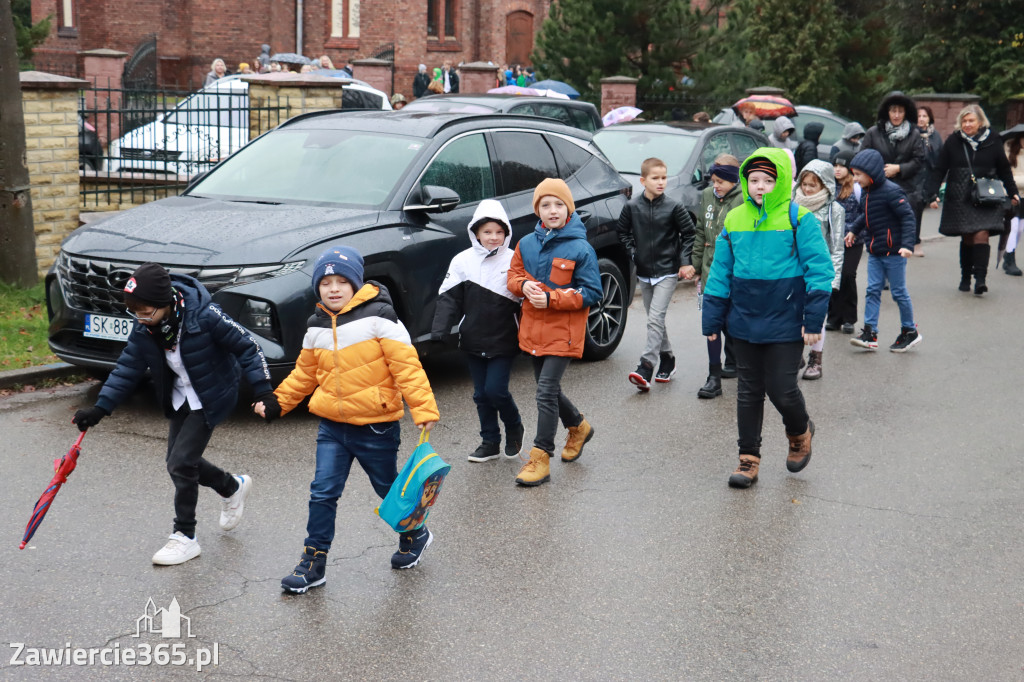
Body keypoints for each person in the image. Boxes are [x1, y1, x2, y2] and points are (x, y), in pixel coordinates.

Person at [255, 246, 440, 593]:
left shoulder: (380, 317)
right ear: (318, 287)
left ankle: (414, 533)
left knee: (389, 491)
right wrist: (278, 402)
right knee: (322, 493)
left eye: (342, 281)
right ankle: (313, 562)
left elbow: (407, 367)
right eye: (326, 282)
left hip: (375, 425)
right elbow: (304, 374)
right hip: (332, 427)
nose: (334, 288)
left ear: (356, 284)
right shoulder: (316, 326)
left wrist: (424, 408)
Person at [71, 263, 276, 565]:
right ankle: (231, 486)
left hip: (211, 395)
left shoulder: (204, 316)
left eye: (145, 312)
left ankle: (185, 537)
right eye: (135, 313)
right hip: (181, 397)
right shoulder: (146, 329)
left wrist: (262, 391)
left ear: (165, 304)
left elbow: (247, 346)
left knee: (181, 463)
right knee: (177, 462)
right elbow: (127, 370)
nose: (140, 319)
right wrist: (100, 408)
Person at [701, 148, 833, 489]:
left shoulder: (798, 219)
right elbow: (720, 271)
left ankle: (799, 431)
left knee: (781, 388)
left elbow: (819, 271)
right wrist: (713, 320)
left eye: (768, 180)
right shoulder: (735, 219)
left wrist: (813, 321)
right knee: (748, 390)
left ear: (781, 182)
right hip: (744, 319)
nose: (760, 186)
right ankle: (748, 459)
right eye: (754, 180)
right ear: (745, 183)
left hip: (786, 319)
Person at [506, 179, 602, 487]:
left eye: (559, 205)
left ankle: (540, 458)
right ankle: (578, 426)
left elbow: (591, 292)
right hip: (533, 330)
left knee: (545, 391)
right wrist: (523, 285)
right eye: (545, 205)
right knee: (546, 388)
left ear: (568, 209)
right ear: (538, 210)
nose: (552, 210)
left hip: (564, 330)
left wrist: (552, 298)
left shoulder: (580, 248)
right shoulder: (526, 243)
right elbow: (513, 274)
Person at [431, 201, 524, 463]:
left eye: (499, 232)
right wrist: (439, 331)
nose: (493, 237)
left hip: (505, 339)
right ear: (475, 233)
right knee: (481, 394)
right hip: (472, 338)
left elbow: (526, 300)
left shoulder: (515, 260)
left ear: (506, 233)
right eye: (487, 232)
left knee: (496, 390)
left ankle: (514, 426)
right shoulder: (462, 261)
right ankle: (490, 442)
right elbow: (448, 299)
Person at [616, 157, 696, 391]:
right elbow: (622, 232)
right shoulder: (632, 207)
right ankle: (668, 359)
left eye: (664, 178)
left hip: (667, 272)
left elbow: (689, 234)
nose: (661, 182)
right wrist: (633, 253)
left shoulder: (674, 207)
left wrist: (684, 262)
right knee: (655, 320)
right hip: (644, 272)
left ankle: (646, 365)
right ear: (643, 180)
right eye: (655, 178)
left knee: (654, 319)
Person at [924, 104, 1021, 295]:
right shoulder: (953, 141)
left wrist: (1012, 192)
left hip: (986, 195)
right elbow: (940, 169)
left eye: (971, 121)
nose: (967, 124)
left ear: (981, 122)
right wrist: (932, 193)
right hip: (959, 194)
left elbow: (1003, 169)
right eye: (964, 121)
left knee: (981, 233)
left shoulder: (993, 140)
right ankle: (965, 276)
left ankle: (980, 279)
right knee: (967, 236)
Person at [845, 149, 921, 352]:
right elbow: (866, 215)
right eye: (854, 173)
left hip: (895, 252)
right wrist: (854, 230)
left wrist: (907, 245)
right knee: (872, 291)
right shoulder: (867, 194)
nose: (855, 178)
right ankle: (870, 332)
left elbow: (907, 217)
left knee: (898, 293)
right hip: (875, 251)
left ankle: (909, 330)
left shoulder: (892, 191)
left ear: (871, 173)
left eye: (859, 174)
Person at [692, 154, 743, 399]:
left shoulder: (744, 200)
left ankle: (736, 360)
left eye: (721, 181)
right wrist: (695, 264)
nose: (716, 185)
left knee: (734, 320)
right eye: (713, 180)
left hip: (735, 268)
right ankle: (714, 377)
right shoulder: (706, 196)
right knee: (712, 321)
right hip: (709, 266)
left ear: (734, 180)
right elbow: (701, 228)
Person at [792, 160, 845, 379]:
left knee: (816, 316)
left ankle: (816, 359)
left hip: (819, 272)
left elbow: (837, 245)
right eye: (804, 184)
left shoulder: (834, 209)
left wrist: (833, 279)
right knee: (794, 314)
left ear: (825, 185)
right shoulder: (793, 206)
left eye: (812, 185)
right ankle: (796, 355)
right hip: (796, 270)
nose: (807, 189)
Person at [861, 92, 926, 249]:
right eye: (893, 111)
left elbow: (919, 160)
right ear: (886, 112)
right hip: (878, 187)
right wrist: (879, 172)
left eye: (900, 111)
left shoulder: (914, 134)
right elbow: (862, 158)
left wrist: (899, 168)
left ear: (906, 112)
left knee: (900, 229)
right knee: (879, 231)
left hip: (905, 188)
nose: (896, 115)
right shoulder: (873, 132)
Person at [826, 149, 864, 335]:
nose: (838, 169)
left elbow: (865, 212)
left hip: (852, 240)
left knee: (848, 275)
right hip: (833, 241)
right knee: (833, 277)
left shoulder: (857, 188)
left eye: (842, 166)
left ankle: (849, 318)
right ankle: (833, 317)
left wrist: (853, 231)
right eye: (835, 165)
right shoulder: (829, 186)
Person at [1000, 134, 1024, 276]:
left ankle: (1007, 256)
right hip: (1011, 196)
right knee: (1012, 228)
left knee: (1020, 229)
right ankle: (1010, 260)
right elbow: (1008, 178)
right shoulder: (1008, 153)